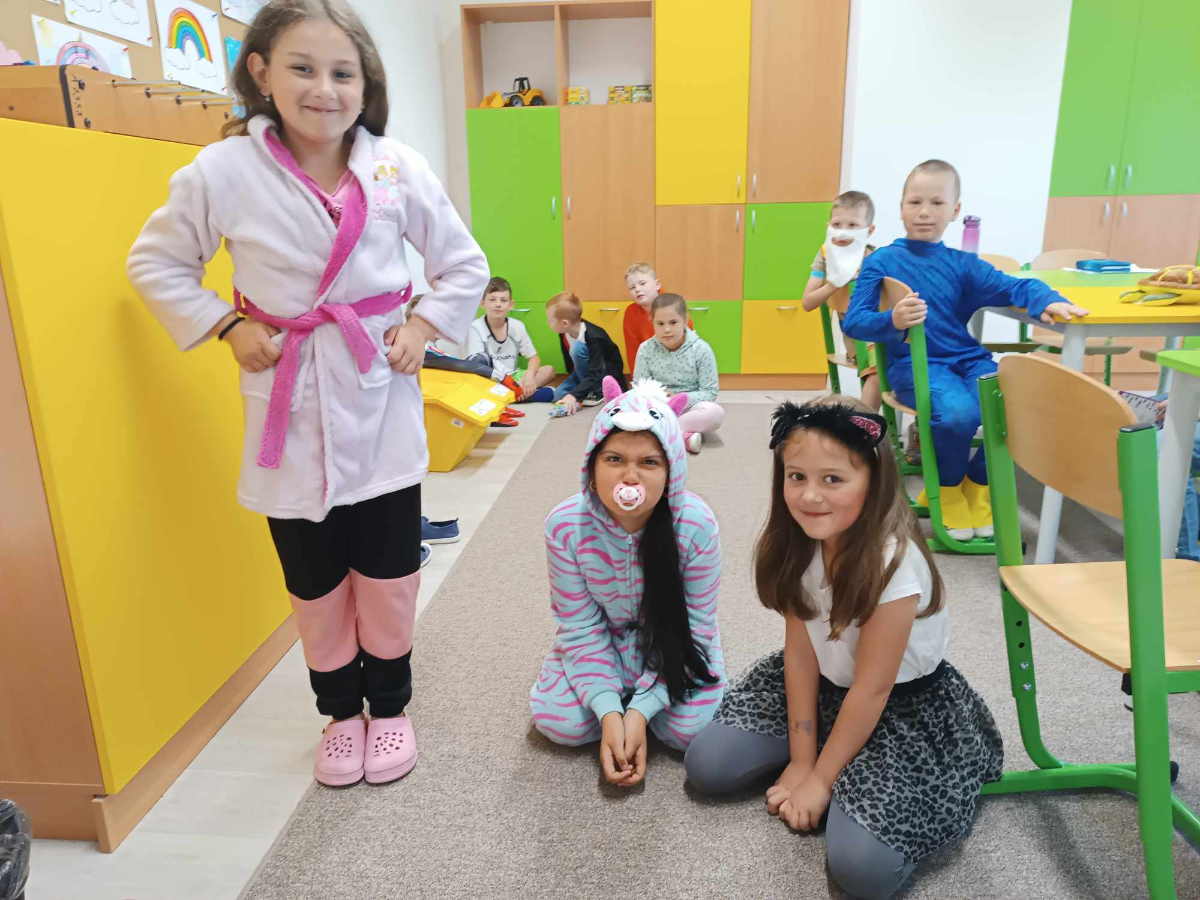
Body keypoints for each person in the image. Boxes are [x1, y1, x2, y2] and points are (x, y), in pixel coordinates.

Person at [126, 0, 487, 787]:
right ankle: (339, 714)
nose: (324, 88)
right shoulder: (222, 172)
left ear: (365, 84)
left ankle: (389, 708)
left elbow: (463, 264)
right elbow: (155, 262)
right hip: (287, 401)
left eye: (342, 73)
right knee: (315, 581)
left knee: (389, 575)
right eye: (302, 68)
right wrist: (225, 325)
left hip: (379, 397)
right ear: (260, 72)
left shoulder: (396, 168)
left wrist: (424, 326)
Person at [684, 398, 1003, 900]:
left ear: (874, 482)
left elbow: (873, 690)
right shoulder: (800, 541)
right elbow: (800, 655)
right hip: (824, 688)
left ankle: (848, 777)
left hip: (899, 709)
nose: (810, 496)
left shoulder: (893, 562)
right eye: (796, 477)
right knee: (708, 766)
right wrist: (801, 758)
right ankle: (835, 766)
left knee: (863, 872)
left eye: (833, 479)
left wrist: (821, 779)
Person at [842, 159, 1088, 540]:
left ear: (955, 211)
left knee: (1025, 404)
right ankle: (947, 491)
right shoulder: (882, 261)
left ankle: (976, 486)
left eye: (937, 203)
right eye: (915, 202)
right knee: (959, 416)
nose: (925, 212)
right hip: (914, 366)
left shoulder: (963, 264)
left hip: (968, 360)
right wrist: (892, 320)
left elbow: (1016, 286)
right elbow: (854, 321)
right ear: (901, 207)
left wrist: (1047, 299)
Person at [530, 377, 726, 784]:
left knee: (689, 731)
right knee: (560, 722)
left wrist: (640, 710)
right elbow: (579, 625)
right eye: (615, 459)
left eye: (649, 462)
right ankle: (610, 693)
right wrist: (608, 712)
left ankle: (645, 701)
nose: (630, 478)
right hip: (604, 637)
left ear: (672, 470)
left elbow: (695, 626)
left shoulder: (696, 526)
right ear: (592, 465)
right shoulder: (565, 526)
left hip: (673, 640)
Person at [802, 191, 882, 412]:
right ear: (829, 226)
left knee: (926, 356)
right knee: (880, 369)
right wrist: (835, 283)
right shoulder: (825, 256)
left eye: (853, 225)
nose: (843, 232)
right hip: (858, 339)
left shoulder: (877, 257)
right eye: (837, 224)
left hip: (884, 331)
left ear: (869, 230)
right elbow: (807, 303)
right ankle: (865, 424)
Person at [633, 293, 724, 454]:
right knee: (623, 412)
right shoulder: (645, 349)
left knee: (715, 414)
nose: (667, 329)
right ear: (652, 322)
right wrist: (659, 399)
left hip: (689, 409)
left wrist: (679, 399)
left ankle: (660, 433)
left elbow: (710, 392)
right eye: (660, 323)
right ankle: (681, 435)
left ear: (685, 320)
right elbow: (639, 388)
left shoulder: (701, 350)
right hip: (656, 408)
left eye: (673, 322)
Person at [466, 276, 556, 402]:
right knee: (476, 385)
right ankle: (523, 395)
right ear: (483, 303)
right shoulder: (476, 327)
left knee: (549, 370)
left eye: (503, 300)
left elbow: (534, 358)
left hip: (514, 377)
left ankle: (511, 395)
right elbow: (477, 366)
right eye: (492, 300)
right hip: (491, 378)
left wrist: (529, 378)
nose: (498, 304)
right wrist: (509, 384)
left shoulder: (517, 326)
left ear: (510, 305)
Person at [545, 292, 628, 417]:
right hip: (585, 374)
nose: (548, 322)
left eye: (550, 319)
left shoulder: (593, 336)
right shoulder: (563, 333)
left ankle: (597, 391)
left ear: (565, 323)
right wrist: (575, 391)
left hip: (603, 374)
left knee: (576, 349)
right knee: (558, 395)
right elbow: (570, 365)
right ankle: (585, 392)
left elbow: (597, 372)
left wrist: (574, 394)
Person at [623, 262, 691, 378]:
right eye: (632, 287)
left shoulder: (673, 304)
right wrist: (640, 382)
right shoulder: (630, 313)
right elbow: (633, 352)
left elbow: (688, 345)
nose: (638, 289)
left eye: (642, 283)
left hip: (680, 368)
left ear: (657, 285)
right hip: (650, 370)